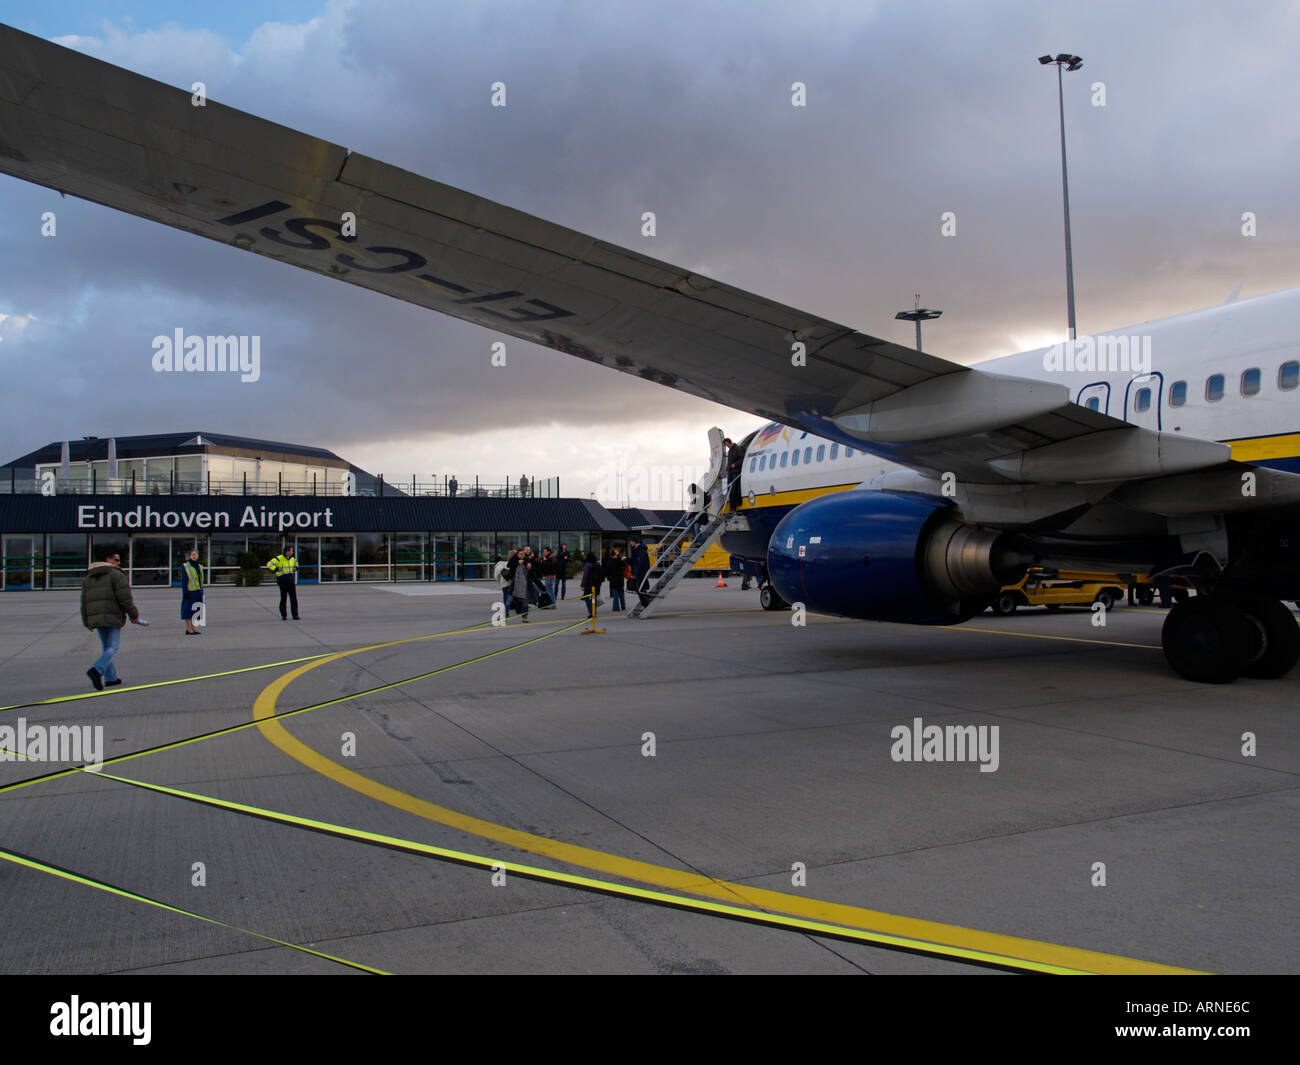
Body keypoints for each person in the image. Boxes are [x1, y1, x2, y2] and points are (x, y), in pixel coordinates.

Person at [81, 547, 148, 690]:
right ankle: (97, 670)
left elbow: (84, 600)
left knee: (106, 647)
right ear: (108, 560)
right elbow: (125, 598)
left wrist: (86, 620)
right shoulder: (116, 575)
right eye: (116, 560)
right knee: (113, 647)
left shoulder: (89, 576)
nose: (119, 563)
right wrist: (134, 615)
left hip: (97, 617)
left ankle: (111, 678)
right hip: (112, 615)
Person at [267, 545, 300, 620]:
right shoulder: (279, 558)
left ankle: (295, 615)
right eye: (291, 551)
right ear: (287, 551)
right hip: (282, 580)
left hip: (291, 580)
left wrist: (296, 568)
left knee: (294, 598)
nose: (292, 552)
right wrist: (275, 569)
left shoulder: (292, 559)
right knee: (283, 598)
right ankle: (284, 615)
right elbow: (269, 564)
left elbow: (296, 564)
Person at [179, 547, 205, 635]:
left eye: (196, 554)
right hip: (189, 592)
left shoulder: (199, 566)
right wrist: (185, 592)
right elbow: (184, 581)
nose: (194, 556)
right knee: (188, 611)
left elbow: (200, 580)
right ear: (189, 556)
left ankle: (193, 628)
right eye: (193, 554)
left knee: (196, 611)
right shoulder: (186, 566)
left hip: (198, 592)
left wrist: (202, 592)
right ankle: (188, 629)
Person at [505, 548, 532, 622]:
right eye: (521, 554)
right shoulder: (514, 559)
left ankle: (524, 617)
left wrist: (528, 565)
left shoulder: (526, 559)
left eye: (523, 554)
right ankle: (506, 614)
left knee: (525, 603)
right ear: (517, 554)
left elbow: (530, 565)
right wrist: (517, 562)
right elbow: (508, 565)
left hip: (524, 585)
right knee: (508, 601)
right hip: (514, 585)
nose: (522, 555)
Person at [629, 537, 651, 607]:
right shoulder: (636, 550)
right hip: (639, 572)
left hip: (641, 573)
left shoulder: (640, 550)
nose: (630, 543)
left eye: (631, 542)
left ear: (634, 542)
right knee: (640, 588)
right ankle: (647, 598)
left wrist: (635, 574)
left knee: (639, 589)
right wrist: (626, 559)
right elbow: (634, 562)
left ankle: (646, 604)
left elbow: (639, 563)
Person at [605, 547, 627, 612]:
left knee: (615, 594)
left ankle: (616, 607)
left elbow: (607, 571)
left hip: (613, 579)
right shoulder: (619, 560)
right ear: (616, 554)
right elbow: (624, 566)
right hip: (620, 578)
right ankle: (623, 606)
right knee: (621, 593)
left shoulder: (609, 561)